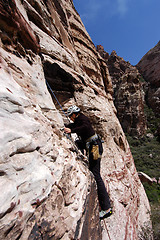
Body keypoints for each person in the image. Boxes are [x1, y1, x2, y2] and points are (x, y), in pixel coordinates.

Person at [64, 105, 112, 219]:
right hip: (93, 145)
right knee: (94, 172)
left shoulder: (83, 119)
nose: (70, 118)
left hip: (94, 147)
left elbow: (84, 127)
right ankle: (106, 207)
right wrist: (67, 127)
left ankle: (106, 208)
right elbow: (74, 125)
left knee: (96, 174)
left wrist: (72, 130)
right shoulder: (79, 119)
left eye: (71, 116)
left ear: (75, 114)